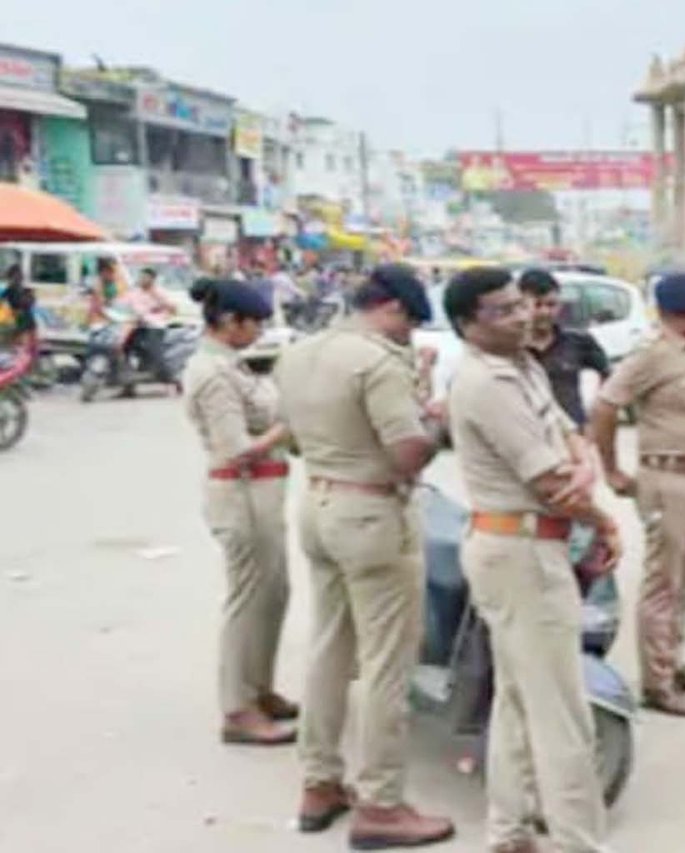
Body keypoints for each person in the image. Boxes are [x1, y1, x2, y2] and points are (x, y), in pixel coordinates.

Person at [274, 263, 455, 849]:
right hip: (373, 513)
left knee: (329, 650)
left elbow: (292, 440)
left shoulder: (298, 354)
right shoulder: (377, 362)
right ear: (393, 308)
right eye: (409, 324)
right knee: (386, 664)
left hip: (318, 501)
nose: (408, 336)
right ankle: (381, 802)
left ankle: (319, 782)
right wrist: (437, 424)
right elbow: (407, 454)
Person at [444, 267, 620, 853]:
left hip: (526, 545)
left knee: (520, 700)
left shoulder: (522, 365)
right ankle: (577, 842)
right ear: (468, 325)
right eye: (503, 311)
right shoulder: (486, 383)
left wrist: (583, 467)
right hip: (520, 551)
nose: (522, 317)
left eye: (520, 304)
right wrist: (603, 518)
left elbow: (572, 435)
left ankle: (509, 831)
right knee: (562, 714)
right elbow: (551, 482)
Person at [590, 270, 685, 718]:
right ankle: (658, 683)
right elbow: (605, 407)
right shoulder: (653, 355)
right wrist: (611, 468)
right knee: (663, 583)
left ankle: (672, 662)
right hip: (667, 479)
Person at [180, 279, 298, 746]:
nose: (260, 333)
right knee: (249, 599)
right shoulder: (212, 373)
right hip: (240, 492)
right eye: (256, 324)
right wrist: (287, 428)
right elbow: (236, 449)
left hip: (264, 491)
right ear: (231, 322)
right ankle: (237, 707)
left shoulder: (234, 364)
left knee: (274, 594)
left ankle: (259, 688)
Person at [519, 269, 611, 427]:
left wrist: (597, 415)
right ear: (521, 306)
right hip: (528, 432)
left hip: (574, 431)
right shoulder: (510, 348)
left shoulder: (579, 342)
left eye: (551, 305)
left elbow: (610, 379)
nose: (545, 312)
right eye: (537, 305)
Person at [117, 267, 179, 382]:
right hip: (136, 325)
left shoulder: (159, 292)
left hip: (154, 325)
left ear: (152, 279)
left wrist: (160, 303)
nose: (142, 279)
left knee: (154, 351)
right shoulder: (134, 292)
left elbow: (173, 309)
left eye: (145, 277)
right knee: (121, 346)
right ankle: (128, 377)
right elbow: (121, 304)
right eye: (141, 277)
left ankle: (169, 378)